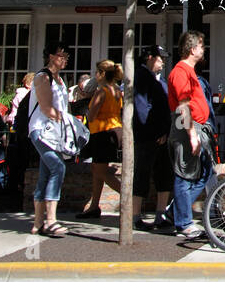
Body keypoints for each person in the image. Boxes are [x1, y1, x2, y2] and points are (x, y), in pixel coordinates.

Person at [168, 31, 214, 241]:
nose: (203, 50)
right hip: (186, 127)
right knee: (184, 174)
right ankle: (184, 222)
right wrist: (192, 134)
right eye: (201, 46)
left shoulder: (190, 72)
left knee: (204, 172)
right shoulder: (181, 72)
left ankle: (177, 210)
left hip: (196, 127)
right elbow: (183, 105)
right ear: (192, 48)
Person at [29, 44, 71, 238]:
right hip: (41, 130)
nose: (65, 59)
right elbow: (46, 108)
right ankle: (51, 220)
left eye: (67, 56)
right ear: (51, 56)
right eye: (62, 55)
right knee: (57, 167)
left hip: (53, 133)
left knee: (45, 173)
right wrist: (69, 121)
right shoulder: (42, 77)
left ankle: (38, 222)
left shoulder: (60, 79)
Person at [133, 45, 174, 232]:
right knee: (142, 174)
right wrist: (154, 133)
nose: (163, 62)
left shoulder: (159, 80)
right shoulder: (141, 77)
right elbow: (142, 109)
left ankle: (161, 214)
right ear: (149, 57)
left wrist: (165, 132)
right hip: (148, 137)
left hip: (163, 136)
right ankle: (135, 216)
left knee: (164, 174)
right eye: (160, 58)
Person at [77, 60, 124, 219]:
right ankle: (94, 206)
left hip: (102, 132)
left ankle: (127, 196)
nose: (95, 75)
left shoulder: (101, 91)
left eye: (97, 72)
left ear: (102, 74)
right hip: (114, 130)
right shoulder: (117, 90)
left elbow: (91, 115)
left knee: (100, 170)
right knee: (97, 169)